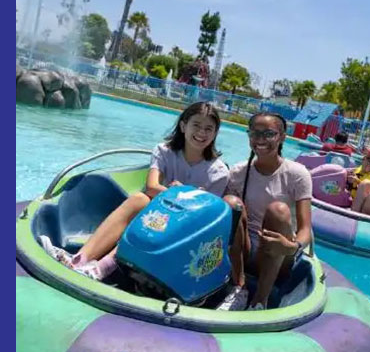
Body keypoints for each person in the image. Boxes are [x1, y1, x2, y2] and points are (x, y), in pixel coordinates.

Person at [43, 102, 230, 279]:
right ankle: (79, 260)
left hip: (184, 235)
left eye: (208, 129)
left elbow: (206, 220)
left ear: (215, 134)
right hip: (153, 216)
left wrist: (179, 196)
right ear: (183, 126)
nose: (201, 133)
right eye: (196, 125)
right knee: (140, 199)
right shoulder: (164, 151)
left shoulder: (218, 172)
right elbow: (151, 187)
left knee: (155, 218)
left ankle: (100, 269)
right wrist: (183, 196)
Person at [217, 112, 313, 311]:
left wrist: (291, 247)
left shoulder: (297, 174)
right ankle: (239, 287)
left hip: (280, 252)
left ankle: (260, 300)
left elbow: (305, 229)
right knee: (230, 202)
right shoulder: (238, 172)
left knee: (278, 210)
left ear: (282, 137)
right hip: (243, 251)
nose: (260, 140)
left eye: (269, 134)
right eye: (255, 133)